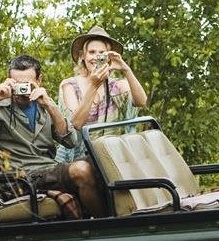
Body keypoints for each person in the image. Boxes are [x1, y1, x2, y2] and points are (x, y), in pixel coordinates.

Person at [0, 54, 104, 218]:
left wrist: (50, 105)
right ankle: (103, 227)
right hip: (21, 178)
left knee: (99, 163)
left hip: (50, 170)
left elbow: (71, 141)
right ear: (8, 81)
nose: (22, 90)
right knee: (81, 169)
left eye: (28, 84)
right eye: (17, 84)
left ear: (39, 80)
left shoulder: (43, 103)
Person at [56, 25, 149, 162]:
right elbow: (75, 124)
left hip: (110, 155)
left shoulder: (116, 85)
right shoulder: (69, 85)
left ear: (108, 57)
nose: (96, 57)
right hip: (77, 157)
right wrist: (94, 85)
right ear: (83, 56)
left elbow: (141, 101)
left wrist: (126, 69)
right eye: (91, 52)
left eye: (101, 53)